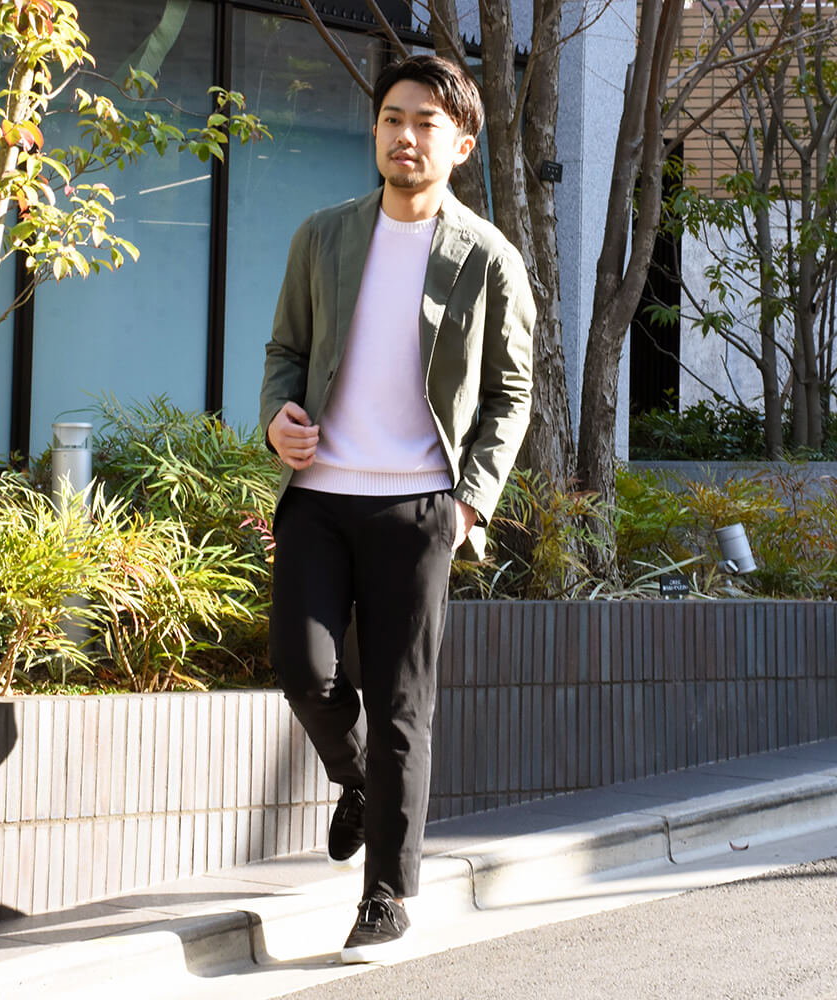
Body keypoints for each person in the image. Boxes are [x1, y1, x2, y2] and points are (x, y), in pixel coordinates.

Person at [259, 53, 535, 964]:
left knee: (401, 703)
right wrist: (277, 418)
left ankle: (386, 893)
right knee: (304, 670)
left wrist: (470, 505)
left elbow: (511, 394)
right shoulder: (324, 236)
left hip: (420, 506)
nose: (404, 136)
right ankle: (364, 785)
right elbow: (285, 351)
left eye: (425, 123)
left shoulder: (488, 258)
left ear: (461, 144)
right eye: (391, 118)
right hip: (319, 495)